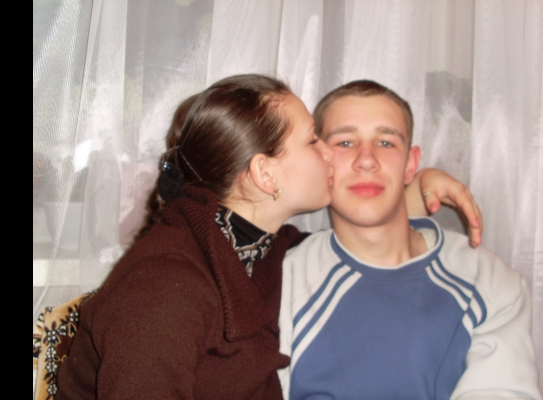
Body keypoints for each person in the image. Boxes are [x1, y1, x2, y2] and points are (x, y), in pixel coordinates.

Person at [54, 74, 481, 399]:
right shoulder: (165, 288)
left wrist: (417, 188)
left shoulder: (262, 250)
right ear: (265, 174)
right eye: (313, 140)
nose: (330, 153)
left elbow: (354, 240)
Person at [278, 80, 542, 400]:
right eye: (345, 142)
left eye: (386, 143)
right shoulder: (283, 280)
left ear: (410, 165)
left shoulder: (488, 281)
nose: (367, 159)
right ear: (321, 159)